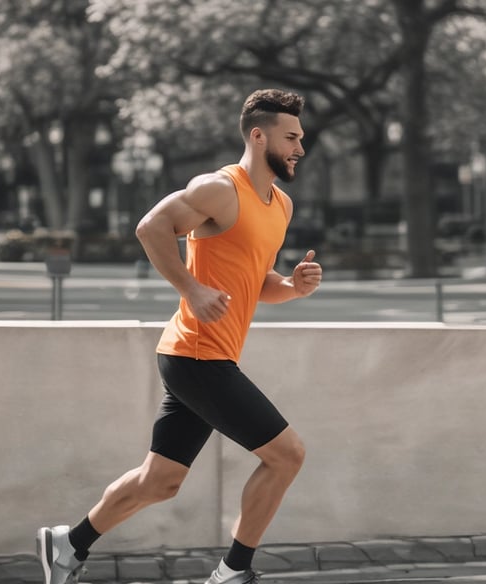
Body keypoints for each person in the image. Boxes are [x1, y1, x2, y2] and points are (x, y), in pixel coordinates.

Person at [36, 88, 322, 584]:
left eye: (300, 137)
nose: (300, 147)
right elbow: (151, 227)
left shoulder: (281, 206)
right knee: (286, 454)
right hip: (196, 355)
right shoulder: (219, 189)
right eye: (291, 136)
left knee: (161, 481)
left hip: (204, 355)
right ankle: (232, 572)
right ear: (259, 136)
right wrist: (190, 289)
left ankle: (67, 544)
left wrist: (292, 288)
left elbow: (255, 284)